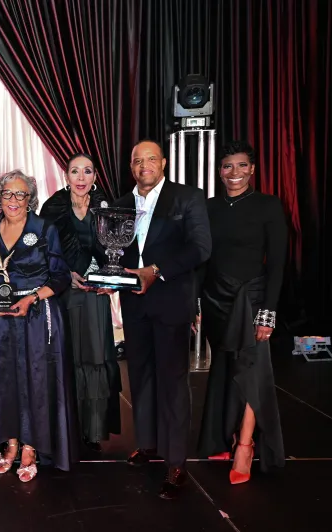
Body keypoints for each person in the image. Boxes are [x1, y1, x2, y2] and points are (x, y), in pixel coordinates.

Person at [114, 140, 211, 499]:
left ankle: (175, 462)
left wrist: (156, 270)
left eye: (151, 159)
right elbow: (114, 253)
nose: (144, 166)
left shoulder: (187, 198)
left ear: (164, 163)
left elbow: (201, 247)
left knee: (172, 382)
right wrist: (104, 277)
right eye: (137, 160)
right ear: (131, 166)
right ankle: (149, 442)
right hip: (134, 304)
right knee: (140, 376)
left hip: (170, 301)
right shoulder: (121, 204)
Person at [0, 169, 74, 482]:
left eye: (21, 194)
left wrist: (31, 299)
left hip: (36, 317)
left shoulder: (44, 229)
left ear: (31, 200)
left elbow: (61, 276)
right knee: (4, 382)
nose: (13, 200)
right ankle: (11, 444)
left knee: (35, 382)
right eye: (8, 194)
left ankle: (31, 448)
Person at [197, 140, 287, 484]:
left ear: (253, 169)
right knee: (223, 369)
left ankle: (246, 445)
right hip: (217, 299)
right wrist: (197, 302)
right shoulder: (208, 207)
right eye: (227, 166)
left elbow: (277, 265)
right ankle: (223, 437)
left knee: (252, 371)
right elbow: (203, 259)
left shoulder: (268, 206)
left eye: (241, 166)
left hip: (252, 298)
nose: (234, 173)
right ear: (219, 171)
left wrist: (269, 312)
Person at [40, 153, 122, 452]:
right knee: (67, 358)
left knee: (95, 358)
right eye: (75, 171)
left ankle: (92, 429)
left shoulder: (108, 206)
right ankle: (65, 427)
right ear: (66, 176)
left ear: (95, 176)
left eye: (87, 171)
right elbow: (42, 252)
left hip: (95, 295)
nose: (81, 178)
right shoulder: (52, 208)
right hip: (64, 293)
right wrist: (64, 273)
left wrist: (109, 279)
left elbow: (119, 251)